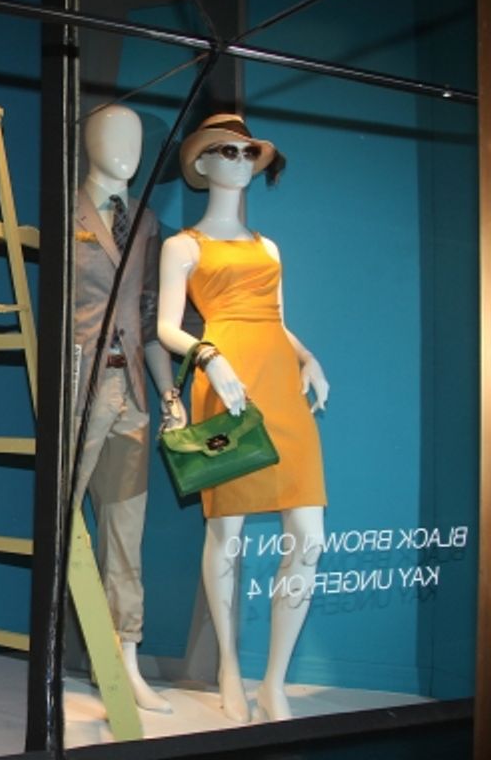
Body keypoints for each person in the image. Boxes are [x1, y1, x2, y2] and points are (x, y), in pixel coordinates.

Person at [156, 113, 329, 723]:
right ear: (201, 164)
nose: (238, 158)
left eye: (246, 150)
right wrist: (209, 358)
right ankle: (229, 664)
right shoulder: (184, 246)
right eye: (225, 150)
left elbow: (278, 319)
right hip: (225, 383)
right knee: (226, 535)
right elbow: (166, 327)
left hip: (282, 383)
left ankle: (273, 681)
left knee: (309, 537)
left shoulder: (267, 247)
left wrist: (308, 359)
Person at [69, 104, 183, 713]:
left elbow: (144, 316)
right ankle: (58, 654)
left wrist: (168, 393)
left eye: (137, 139)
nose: (127, 148)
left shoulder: (145, 221)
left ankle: (126, 659)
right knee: (61, 526)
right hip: (82, 389)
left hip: (134, 391)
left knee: (125, 534)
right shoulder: (67, 211)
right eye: (114, 135)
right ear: (88, 141)